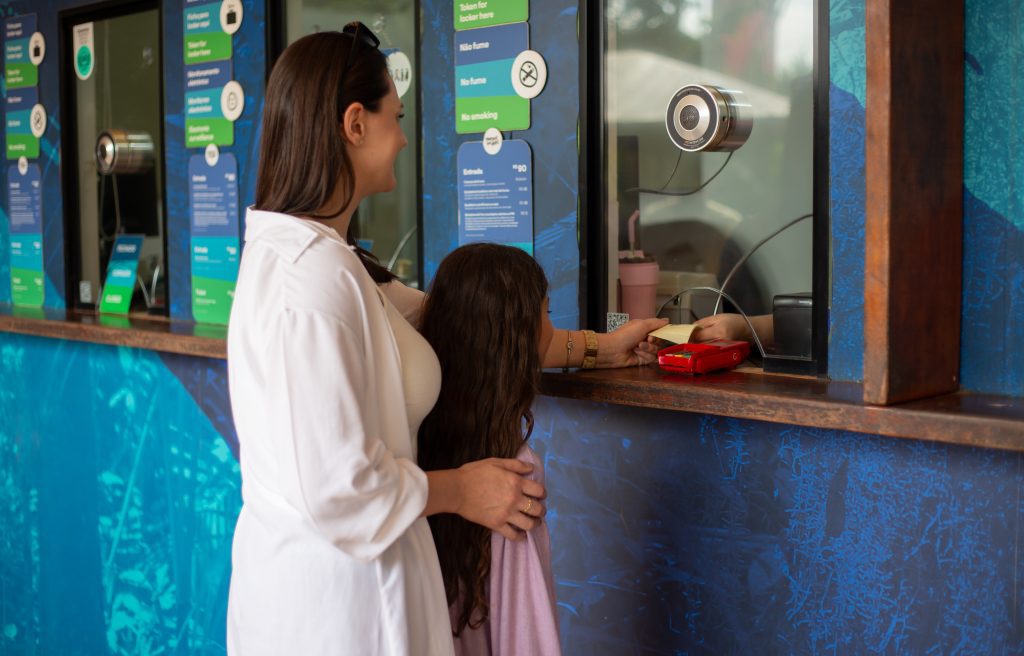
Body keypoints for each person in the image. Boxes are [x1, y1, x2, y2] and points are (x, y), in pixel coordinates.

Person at [226, 24, 663, 656]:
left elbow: (478, 323)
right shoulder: (308, 285)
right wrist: (464, 488)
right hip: (334, 617)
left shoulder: (336, 266)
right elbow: (338, 491)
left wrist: (603, 347)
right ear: (355, 123)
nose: (404, 138)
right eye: (396, 118)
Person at [418, 244, 561, 655]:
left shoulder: (417, 453)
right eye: (547, 313)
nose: (552, 330)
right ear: (521, 340)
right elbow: (528, 635)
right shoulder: (512, 477)